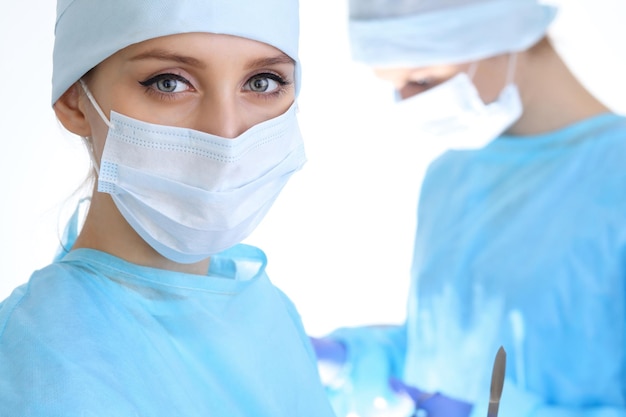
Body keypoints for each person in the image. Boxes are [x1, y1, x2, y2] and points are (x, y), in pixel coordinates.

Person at [0, 1, 336, 416]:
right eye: (169, 83)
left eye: (262, 82)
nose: (226, 132)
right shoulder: (35, 359)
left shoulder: (270, 312)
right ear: (74, 101)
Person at [311, 0, 626, 416]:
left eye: (422, 78)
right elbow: (448, 354)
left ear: (499, 29)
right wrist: (348, 363)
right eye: (394, 83)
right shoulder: (451, 175)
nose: (405, 101)